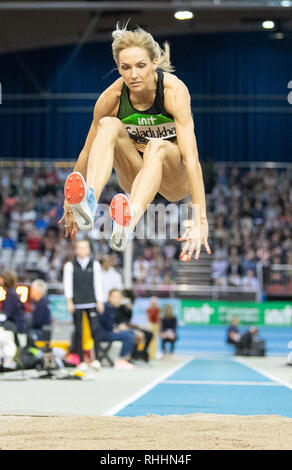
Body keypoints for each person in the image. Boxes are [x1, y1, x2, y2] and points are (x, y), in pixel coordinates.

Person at [58, 23, 211, 262]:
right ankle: (90, 200)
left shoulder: (173, 91)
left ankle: (131, 216)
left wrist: (200, 218)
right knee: (108, 125)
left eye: (141, 66)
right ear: (118, 68)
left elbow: (191, 159)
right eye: (125, 67)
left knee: (157, 145)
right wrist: (70, 202)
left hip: (173, 179)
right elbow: (87, 152)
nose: (133, 75)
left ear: (154, 62)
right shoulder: (111, 98)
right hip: (136, 175)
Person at [63, 238, 104, 367]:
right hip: (77, 303)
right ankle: (80, 360)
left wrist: (100, 301)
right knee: (79, 332)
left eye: (85, 247)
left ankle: (96, 359)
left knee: (95, 330)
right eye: (79, 247)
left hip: (92, 302)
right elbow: (67, 285)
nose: (82, 250)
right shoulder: (70, 266)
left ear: (89, 249)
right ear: (75, 250)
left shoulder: (95, 264)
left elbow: (98, 283)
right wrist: (69, 301)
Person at [99, 289, 135, 369]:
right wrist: (115, 329)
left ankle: (127, 359)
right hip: (102, 334)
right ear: (109, 298)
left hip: (108, 331)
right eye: (115, 297)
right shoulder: (106, 307)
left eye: (119, 297)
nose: (117, 299)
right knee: (127, 336)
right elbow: (106, 325)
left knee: (130, 332)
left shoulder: (114, 308)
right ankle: (121, 360)